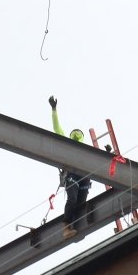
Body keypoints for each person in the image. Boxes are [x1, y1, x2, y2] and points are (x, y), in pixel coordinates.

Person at [49, 95, 90, 240]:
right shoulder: (68, 143)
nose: (77, 134)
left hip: (84, 176)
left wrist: (108, 153)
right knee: (72, 199)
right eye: (75, 132)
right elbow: (57, 128)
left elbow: (99, 164)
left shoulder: (87, 152)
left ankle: (77, 226)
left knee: (81, 202)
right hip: (72, 173)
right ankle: (66, 227)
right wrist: (54, 110)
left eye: (79, 133)